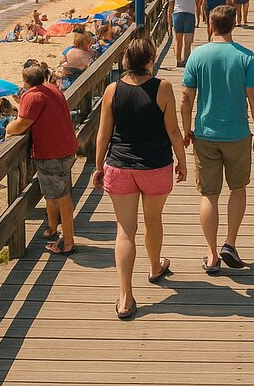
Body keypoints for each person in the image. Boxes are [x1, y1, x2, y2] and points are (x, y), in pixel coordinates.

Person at [91, 38, 187, 320]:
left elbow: (103, 134)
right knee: (153, 220)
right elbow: (172, 131)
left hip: (120, 167)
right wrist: (182, 160)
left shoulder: (112, 90)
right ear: (150, 60)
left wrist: (98, 167)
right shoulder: (163, 88)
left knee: (125, 230)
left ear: (125, 62)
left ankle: (125, 296)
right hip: (155, 166)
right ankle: (155, 266)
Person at [180, 5, 254, 274]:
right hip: (238, 134)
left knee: (209, 194)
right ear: (234, 24)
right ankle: (230, 242)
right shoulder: (246, 57)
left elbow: (185, 98)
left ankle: (212, 253)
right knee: (238, 189)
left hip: (205, 133)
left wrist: (185, 129)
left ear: (211, 25)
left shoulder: (197, 55)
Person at [7, 65, 78, 255]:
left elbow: (21, 124)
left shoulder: (33, 96)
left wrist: (8, 129)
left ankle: (68, 241)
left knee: (62, 197)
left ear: (26, 82)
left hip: (52, 153)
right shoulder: (52, 88)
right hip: (67, 147)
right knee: (51, 192)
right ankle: (53, 227)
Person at [168, 0, 201, 67]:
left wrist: (170, 20)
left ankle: (178, 60)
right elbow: (198, 3)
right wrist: (198, 15)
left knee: (178, 40)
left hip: (177, 14)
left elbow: (171, 4)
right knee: (188, 41)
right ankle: (186, 60)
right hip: (190, 14)